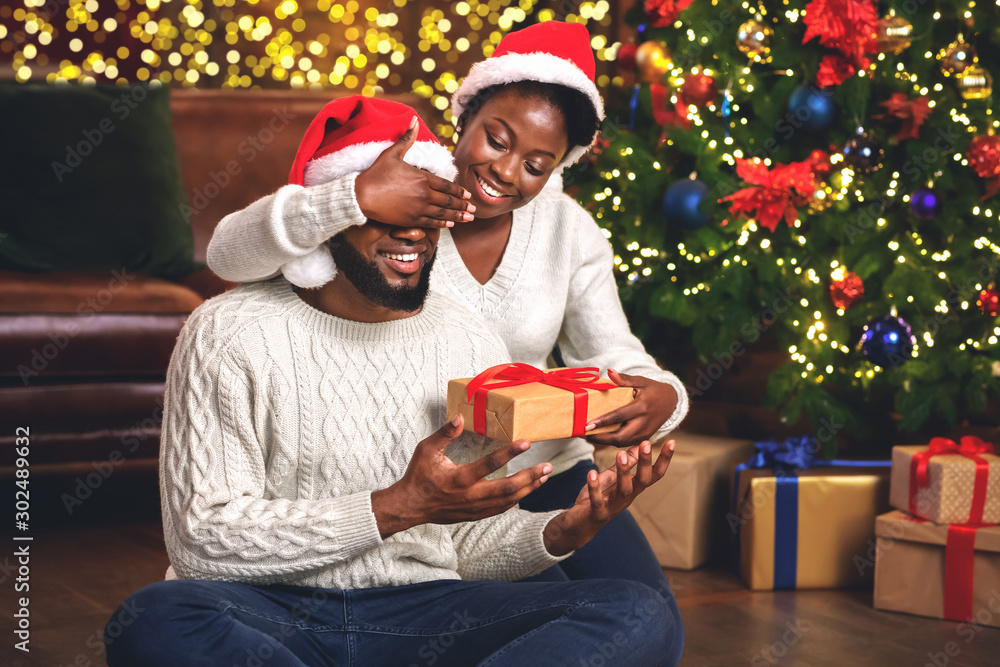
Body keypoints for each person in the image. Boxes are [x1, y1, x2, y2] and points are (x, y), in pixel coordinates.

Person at [105, 97, 681, 667]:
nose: (413, 235)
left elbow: (468, 545)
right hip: (271, 611)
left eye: (428, 214)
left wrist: (565, 528)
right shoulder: (227, 332)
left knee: (636, 613)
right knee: (157, 619)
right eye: (391, 210)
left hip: (423, 614)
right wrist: (394, 507)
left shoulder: (468, 341)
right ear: (335, 216)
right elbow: (202, 539)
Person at [206, 18, 685, 614]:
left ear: (559, 167)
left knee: (645, 609)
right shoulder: (395, 201)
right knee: (548, 614)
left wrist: (663, 396)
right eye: (497, 139)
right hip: (436, 480)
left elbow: (611, 352)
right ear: (466, 117)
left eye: (538, 165)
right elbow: (226, 254)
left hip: (551, 467)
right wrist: (351, 197)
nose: (508, 172)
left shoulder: (568, 231)